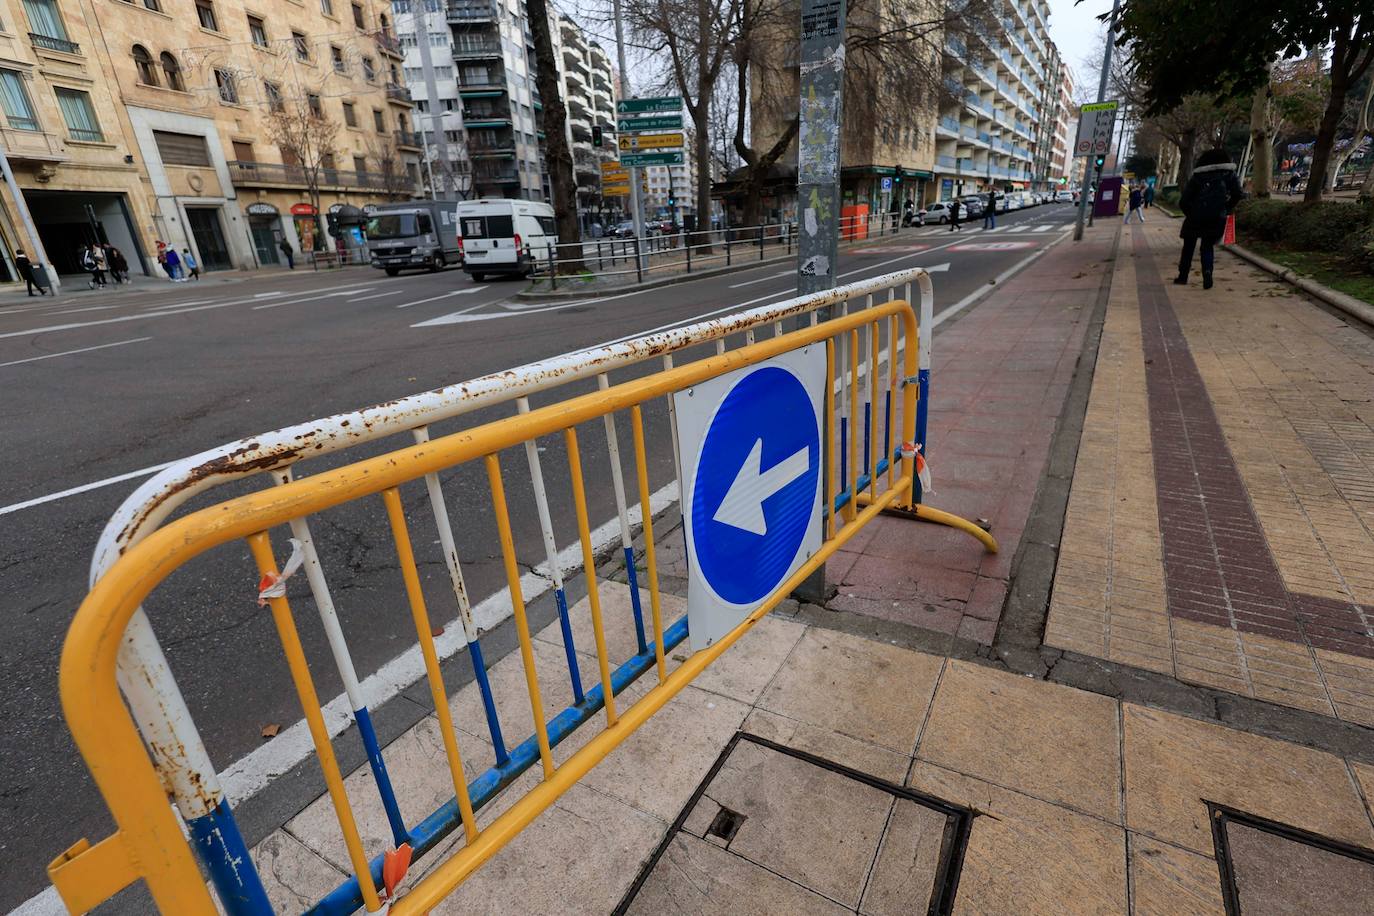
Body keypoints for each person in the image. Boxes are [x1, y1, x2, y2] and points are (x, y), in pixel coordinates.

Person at [1176, 148, 1244, 290]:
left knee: (1188, 247)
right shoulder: (1229, 174)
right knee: (1207, 247)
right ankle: (1207, 273)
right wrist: (1225, 208)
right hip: (1217, 217)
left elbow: (1184, 201)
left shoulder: (1197, 177)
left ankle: (1183, 276)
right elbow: (1238, 194)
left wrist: (1191, 213)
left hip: (1195, 216)